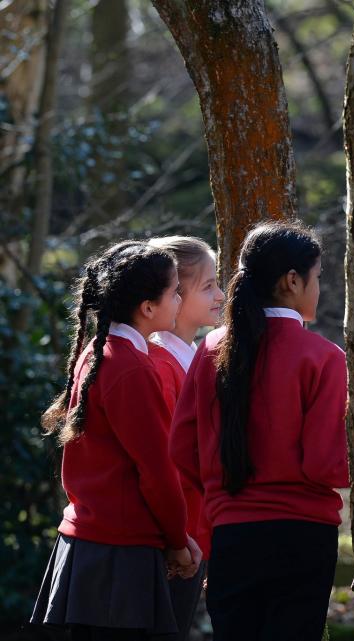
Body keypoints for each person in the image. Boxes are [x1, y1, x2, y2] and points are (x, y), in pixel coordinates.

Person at [169, 221, 348, 641]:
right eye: (317, 277)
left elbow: (181, 446)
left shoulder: (212, 347)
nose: (318, 288)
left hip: (232, 534)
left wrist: (221, 492)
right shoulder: (324, 357)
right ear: (291, 281)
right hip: (303, 537)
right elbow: (324, 465)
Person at [31, 241, 200, 640]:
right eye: (175, 291)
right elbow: (157, 470)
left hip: (94, 542)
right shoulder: (130, 367)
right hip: (120, 554)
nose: (179, 299)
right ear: (147, 308)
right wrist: (178, 540)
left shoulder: (100, 350)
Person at [147, 235, 224, 640]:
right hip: (176, 539)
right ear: (174, 293)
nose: (221, 295)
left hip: (198, 532)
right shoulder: (160, 367)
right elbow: (165, 463)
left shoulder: (195, 357)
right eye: (208, 286)